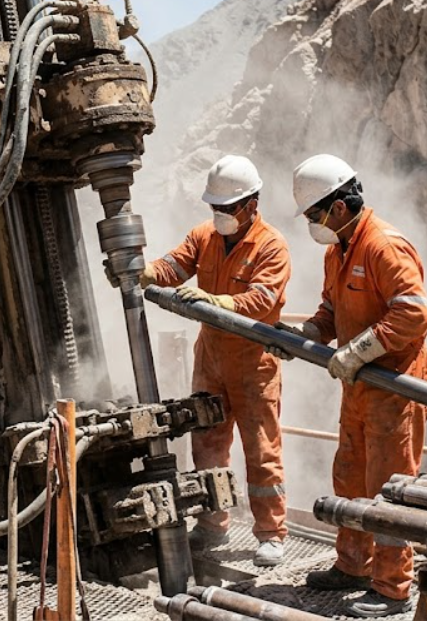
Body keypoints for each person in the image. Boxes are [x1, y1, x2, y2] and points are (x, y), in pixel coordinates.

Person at [273, 153, 427, 617]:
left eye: (313, 214)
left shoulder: (383, 246)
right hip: (360, 385)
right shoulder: (338, 250)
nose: (310, 224)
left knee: (388, 487)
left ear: (338, 207)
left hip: (396, 386)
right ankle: (353, 566)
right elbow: (331, 308)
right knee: (350, 477)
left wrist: (359, 350)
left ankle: (392, 588)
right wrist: (310, 333)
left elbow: (413, 313)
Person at [141, 154, 291, 567]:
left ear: (251, 204)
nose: (220, 214)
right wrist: (146, 271)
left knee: (261, 450)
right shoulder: (204, 236)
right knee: (207, 444)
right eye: (215, 207)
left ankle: (271, 534)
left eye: (228, 207)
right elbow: (174, 265)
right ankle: (212, 524)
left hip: (252, 363)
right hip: (210, 359)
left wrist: (215, 301)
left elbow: (262, 301)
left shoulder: (271, 246)